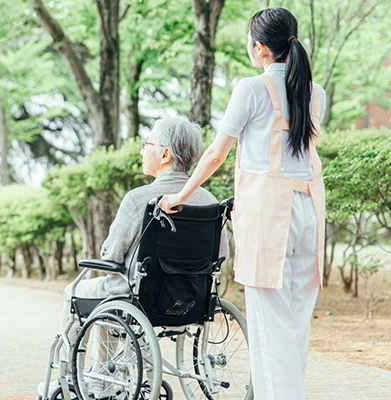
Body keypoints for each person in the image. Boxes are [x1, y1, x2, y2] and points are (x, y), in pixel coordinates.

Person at [158, 8, 326, 400]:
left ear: (260, 48)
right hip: (309, 210)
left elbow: (216, 154)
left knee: (270, 327)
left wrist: (180, 195)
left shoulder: (251, 89)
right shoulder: (315, 92)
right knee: (296, 325)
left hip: (270, 214)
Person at [39, 117, 228, 398]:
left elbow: (111, 255)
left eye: (146, 144)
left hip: (139, 297)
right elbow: (220, 256)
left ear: (165, 155)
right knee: (112, 296)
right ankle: (122, 373)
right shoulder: (209, 201)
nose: (142, 150)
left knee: (79, 291)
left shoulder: (139, 199)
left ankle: (77, 377)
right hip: (191, 300)